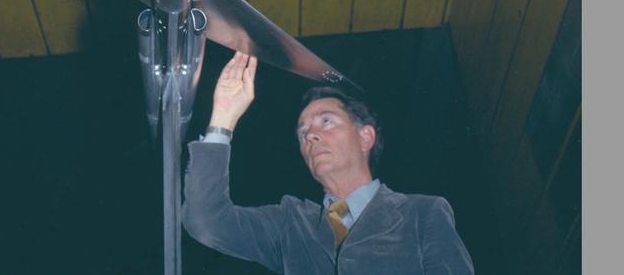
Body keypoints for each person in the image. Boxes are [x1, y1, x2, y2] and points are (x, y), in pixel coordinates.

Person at [182, 52, 474, 273]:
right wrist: (223, 116)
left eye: (326, 121)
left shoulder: (422, 213)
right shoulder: (290, 223)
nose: (311, 135)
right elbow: (207, 223)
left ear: (365, 137)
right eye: (303, 131)